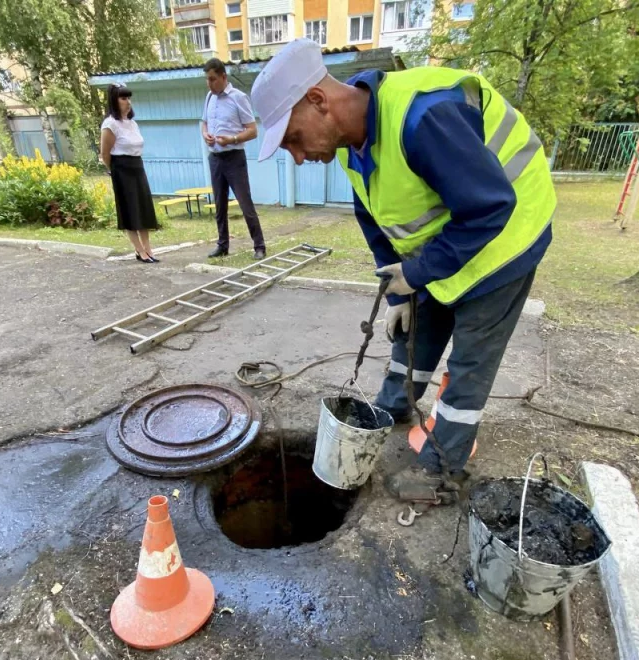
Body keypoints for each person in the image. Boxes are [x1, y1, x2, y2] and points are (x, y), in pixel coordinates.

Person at [251, 40, 556, 500]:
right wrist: (399, 292)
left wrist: (417, 273)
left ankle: (442, 471)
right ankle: (395, 406)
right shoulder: (351, 148)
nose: (296, 156)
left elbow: (490, 206)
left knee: (470, 361)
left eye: (293, 138)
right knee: (414, 326)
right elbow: (375, 224)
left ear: (317, 100)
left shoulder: (424, 117)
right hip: (447, 240)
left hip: (506, 238)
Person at [201, 59, 267, 261]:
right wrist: (205, 134)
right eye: (207, 80)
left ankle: (259, 246)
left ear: (223, 77)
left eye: (213, 79)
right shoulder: (209, 98)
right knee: (219, 205)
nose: (209, 84)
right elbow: (204, 123)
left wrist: (233, 139)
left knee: (245, 204)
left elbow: (253, 130)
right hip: (215, 158)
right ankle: (222, 245)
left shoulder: (238, 97)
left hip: (234, 158)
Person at [100, 83, 159, 263]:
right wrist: (114, 171)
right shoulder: (110, 124)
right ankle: (139, 250)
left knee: (143, 209)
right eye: (123, 98)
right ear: (114, 101)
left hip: (137, 167)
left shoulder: (132, 123)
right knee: (130, 210)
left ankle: (148, 249)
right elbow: (105, 153)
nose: (128, 102)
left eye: (129, 98)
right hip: (121, 168)